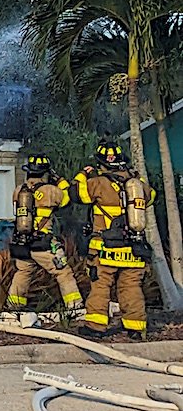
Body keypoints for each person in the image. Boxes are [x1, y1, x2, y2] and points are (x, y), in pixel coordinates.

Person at [70, 141, 155, 340]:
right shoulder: (137, 185)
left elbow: (75, 194)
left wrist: (82, 174)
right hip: (133, 247)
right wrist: (135, 176)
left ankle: (96, 326)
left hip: (104, 247)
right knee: (131, 287)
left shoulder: (98, 183)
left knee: (101, 285)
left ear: (101, 164)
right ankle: (136, 327)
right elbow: (151, 197)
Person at [7, 154, 83, 311]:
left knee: (23, 273)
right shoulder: (51, 191)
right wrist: (59, 180)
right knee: (63, 272)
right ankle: (74, 307)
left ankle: (14, 306)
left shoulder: (19, 191)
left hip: (22, 242)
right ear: (45, 173)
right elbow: (68, 199)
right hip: (43, 244)